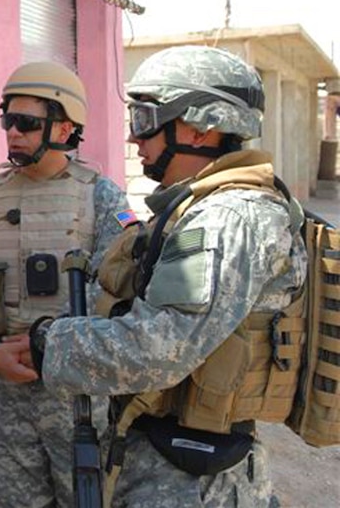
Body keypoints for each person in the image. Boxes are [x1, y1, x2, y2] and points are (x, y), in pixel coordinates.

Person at [29, 46, 308, 507]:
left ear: (199, 128)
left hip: (191, 481)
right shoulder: (197, 209)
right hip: (172, 463)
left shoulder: (224, 220)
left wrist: (50, 342)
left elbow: (157, 349)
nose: (135, 139)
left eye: (145, 119)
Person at [0, 61, 131, 507]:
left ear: (66, 129)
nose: (12, 133)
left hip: (77, 397)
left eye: (27, 123)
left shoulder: (102, 200)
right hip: (6, 395)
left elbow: (123, 299)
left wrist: (56, 346)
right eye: (8, 120)